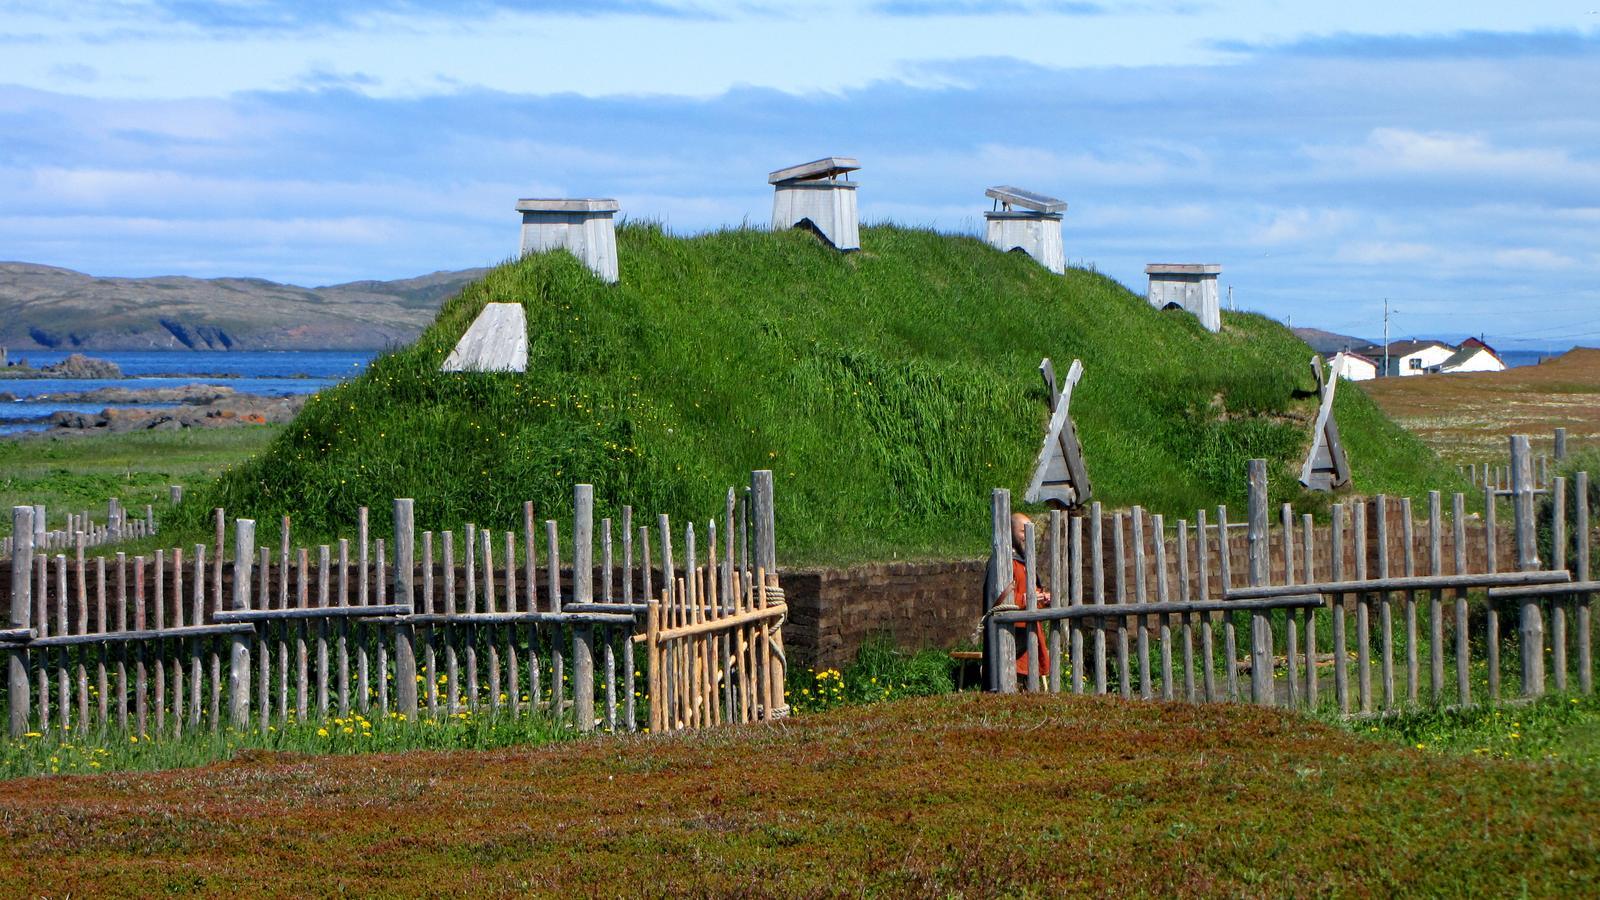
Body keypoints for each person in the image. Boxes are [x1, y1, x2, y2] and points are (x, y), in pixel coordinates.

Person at [981, 512, 1052, 690]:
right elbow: (999, 600)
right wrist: (1025, 598)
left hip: (1029, 642)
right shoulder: (1002, 562)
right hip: (1011, 640)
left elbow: (1031, 595)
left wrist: (1042, 598)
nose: (1027, 537)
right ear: (1011, 532)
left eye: (1030, 532)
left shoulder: (1025, 561)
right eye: (1023, 531)